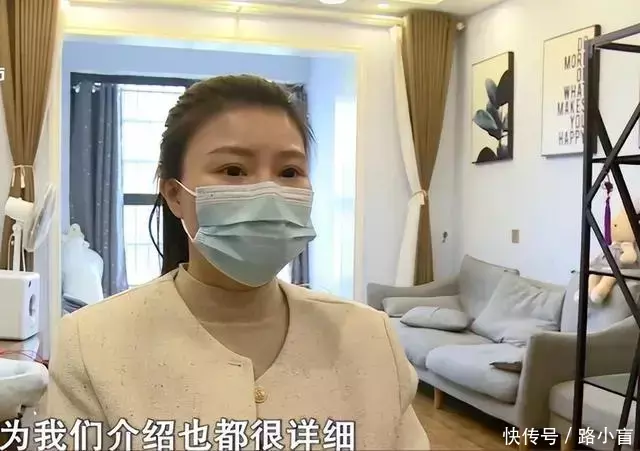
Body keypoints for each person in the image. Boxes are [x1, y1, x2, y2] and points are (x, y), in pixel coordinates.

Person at [46, 75, 430, 450]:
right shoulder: (92, 343)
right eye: (233, 170)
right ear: (175, 195)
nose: (268, 192)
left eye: (289, 172)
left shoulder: (369, 337)